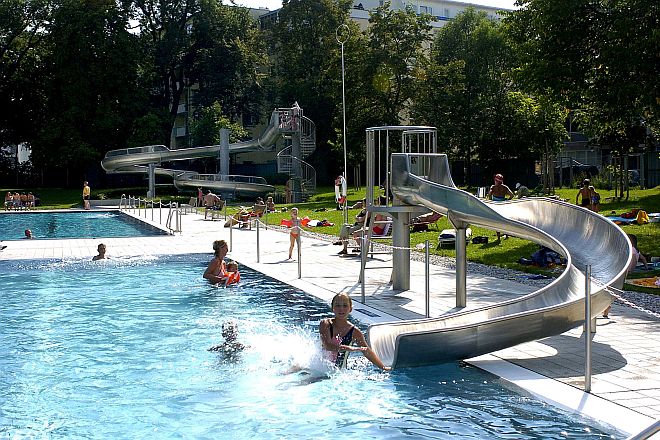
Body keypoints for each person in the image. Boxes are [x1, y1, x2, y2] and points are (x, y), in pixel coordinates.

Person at [319, 293, 390, 371]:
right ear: (332, 308)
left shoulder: (354, 332)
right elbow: (327, 346)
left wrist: (383, 368)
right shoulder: (326, 324)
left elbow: (367, 351)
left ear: (350, 309)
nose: (341, 309)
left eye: (345, 306)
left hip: (339, 373)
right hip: (321, 369)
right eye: (337, 305)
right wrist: (349, 348)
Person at [603, 234, 648, 318]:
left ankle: (606, 306)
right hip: (627, 269)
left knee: (609, 289)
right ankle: (606, 307)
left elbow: (632, 259)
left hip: (625, 269)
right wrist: (646, 267)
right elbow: (643, 259)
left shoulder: (630, 249)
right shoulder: (636, 249)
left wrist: (630, 268)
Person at [487, 174, 514, 240]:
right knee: (505, 220)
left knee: (497, 222)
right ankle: (507, 235)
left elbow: (489, 194)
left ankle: (498, 237)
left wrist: (490, 201)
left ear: (495, 180)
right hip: (503, 205)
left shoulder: (493, 187)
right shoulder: (505, 187)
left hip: (495, 205)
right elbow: (512, 195)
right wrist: (507, 200)